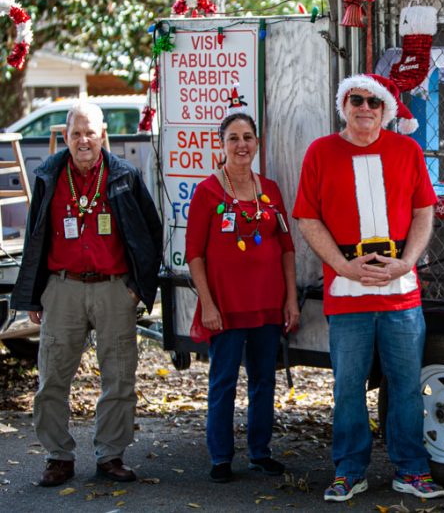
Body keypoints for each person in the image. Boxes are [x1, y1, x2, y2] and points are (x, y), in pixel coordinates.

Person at [292, 73, 444, 502]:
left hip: (400, 289)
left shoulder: (406, 150)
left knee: (406, 384)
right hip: (347, 289)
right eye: (356, 99)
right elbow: (307, 217)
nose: (364, 108)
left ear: (386, 110)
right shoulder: (321, 153)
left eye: (373, 102)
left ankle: (412, 469)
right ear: (344, 104)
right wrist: (342, 265)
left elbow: (423, 210)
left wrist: (407, 262)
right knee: (347, 386)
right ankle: (349, 470)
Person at [10, 100, 162, 487]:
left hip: (114, 290)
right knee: (51, 380)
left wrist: (136, 289)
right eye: (75, 133)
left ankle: (110, 456)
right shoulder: (48, 175)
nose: (83, 141)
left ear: (103, 135)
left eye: (90, 133)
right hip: (63, 289)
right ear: (65, 137)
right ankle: (58, 457)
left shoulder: (123, 175)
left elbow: (151, 231)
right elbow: (34, 237)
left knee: (119, 378)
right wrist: (34, 294)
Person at [186, 112, 300, 483]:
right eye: (233, 138)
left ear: (257, 143)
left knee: (263, 380)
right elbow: (195, 255)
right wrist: (208, 305)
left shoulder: (270, 190)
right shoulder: (207, 192)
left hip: (268, 304)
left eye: (248, 137)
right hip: (226, 307)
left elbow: (286, 248)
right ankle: (220, 457)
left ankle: (259, 452)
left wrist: (291, 300)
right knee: (223, 382)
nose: (241, 145)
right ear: (221, 145)